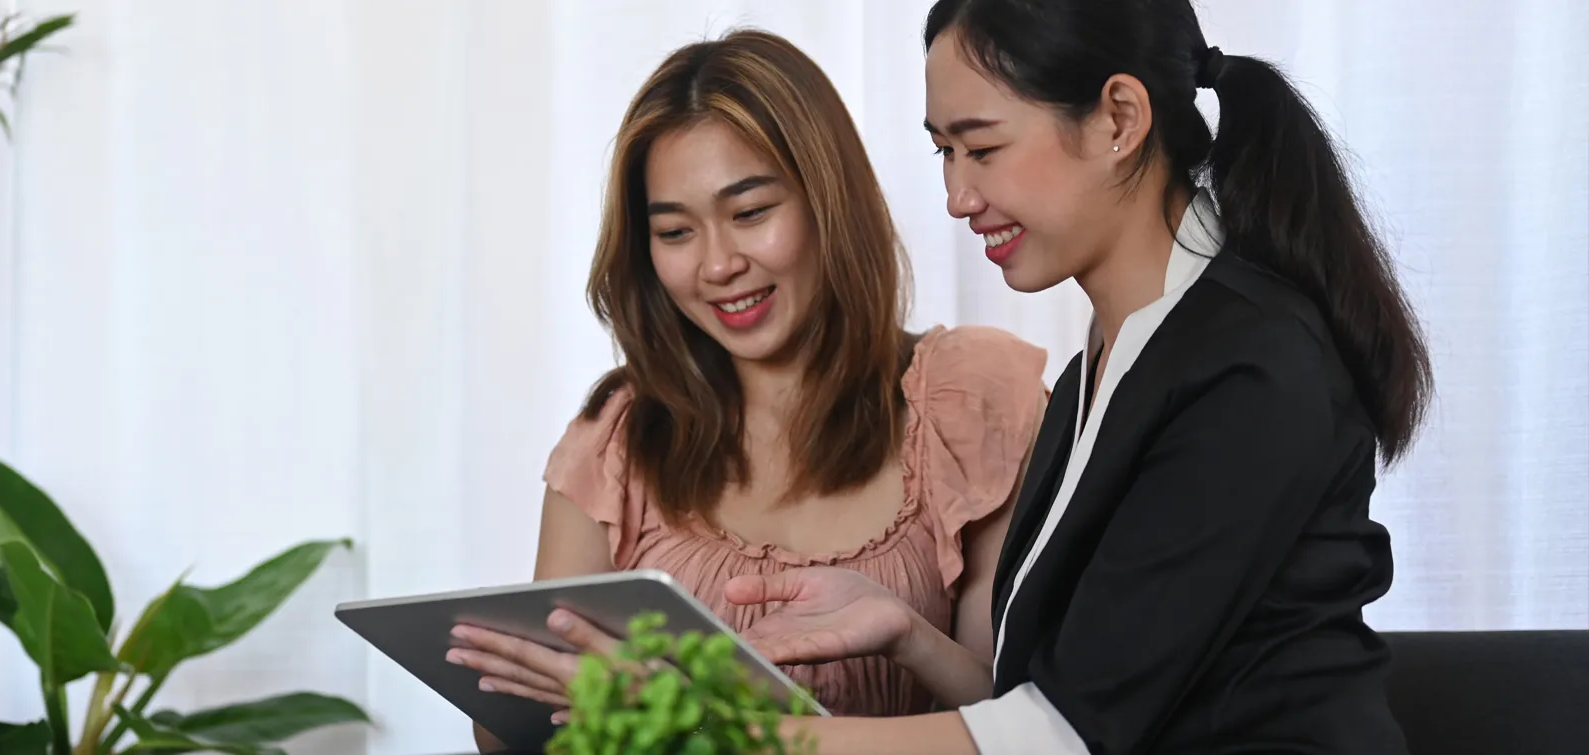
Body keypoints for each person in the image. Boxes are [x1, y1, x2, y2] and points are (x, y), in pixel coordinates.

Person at [523, 1, 1433, 753]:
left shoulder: (1250, 365)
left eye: (982, 148)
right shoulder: (1097, 376)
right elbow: (1041, 699)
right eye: (944, 154)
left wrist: (712, 729)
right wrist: (900, 628)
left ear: (1119, 119)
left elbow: (1063, 733)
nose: (957, 196)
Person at [447, 28, 1050, 750]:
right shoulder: (617, 438)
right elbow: (508, 735)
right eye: (675, 232)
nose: (718, 265)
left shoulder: (969, 400)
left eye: (750, 213)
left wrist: (907, 638)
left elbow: (1028, 722)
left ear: (829, 201)